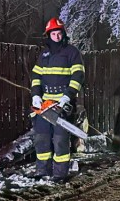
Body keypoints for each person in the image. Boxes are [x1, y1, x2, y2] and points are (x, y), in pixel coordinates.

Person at [30, 17, 85, 181]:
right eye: (53, 33)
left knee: (60, 140)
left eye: (59, 33)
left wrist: (67, 96)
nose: (56, 36)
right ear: (49, 35)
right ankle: (42, 171)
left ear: (63, 34)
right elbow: (36, 76)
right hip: (45, 104)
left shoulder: (72, 52)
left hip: (62, 103)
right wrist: (35, 95)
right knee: (41, 138)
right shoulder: (44, 54)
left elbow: (78, 76)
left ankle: (60, 173)